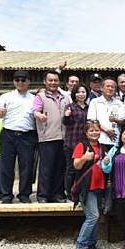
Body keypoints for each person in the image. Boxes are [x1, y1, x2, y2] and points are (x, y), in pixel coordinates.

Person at [0, 70, 37, 204]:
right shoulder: (6, 96)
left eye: (23, 80)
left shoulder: (34, 99)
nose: (20, 82)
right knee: (6, 166)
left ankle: (24, 194)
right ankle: (6, 194)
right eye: (17, 80)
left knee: (27, 166)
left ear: (28, 81)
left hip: (27, 135)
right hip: (8, 134)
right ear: (14, 82)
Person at [33, 70, 70, 203]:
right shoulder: (40, 96)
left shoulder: (65, 97)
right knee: (46, 168)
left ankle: (58, 194)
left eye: (55, 80)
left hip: (64, 137)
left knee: (60, 167)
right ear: (45, 82)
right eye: (50, 80)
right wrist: (39, 115)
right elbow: (35, 111)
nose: (53, 83)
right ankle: (43, 195)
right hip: (47, 137)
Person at [73, 121, 106, 249]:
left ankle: (90, 243)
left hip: (99, 186)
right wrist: (84, 158)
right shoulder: (82, 145)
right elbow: (76, 166)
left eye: (97, 130)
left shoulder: (102, 147)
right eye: (91, 131)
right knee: (93, 216)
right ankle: (80, 246)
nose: (94, 133)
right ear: (86, 133)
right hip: (87, 187)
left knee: (96, 217)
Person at [63, 84, 90, 200]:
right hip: (72, 142)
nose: (81, 94)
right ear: (74, 94)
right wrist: (66, 116)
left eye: (83, 92)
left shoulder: (89, 107)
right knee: (71, 169)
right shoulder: (70, 107)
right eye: (78, 92)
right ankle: (69, 192)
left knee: (83, 168)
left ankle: (79, 191)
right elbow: (66, 122)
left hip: (84, 143)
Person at [87, 78, 125, 151]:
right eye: (108, 86)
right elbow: (92, 121)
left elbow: (122, 120)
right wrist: (106, 130)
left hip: (115, 140)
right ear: (102, 88)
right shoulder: (95, 102)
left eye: (112, 87)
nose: (110, 88)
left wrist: (116, 120)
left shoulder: (119, 103)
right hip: (99, 139)